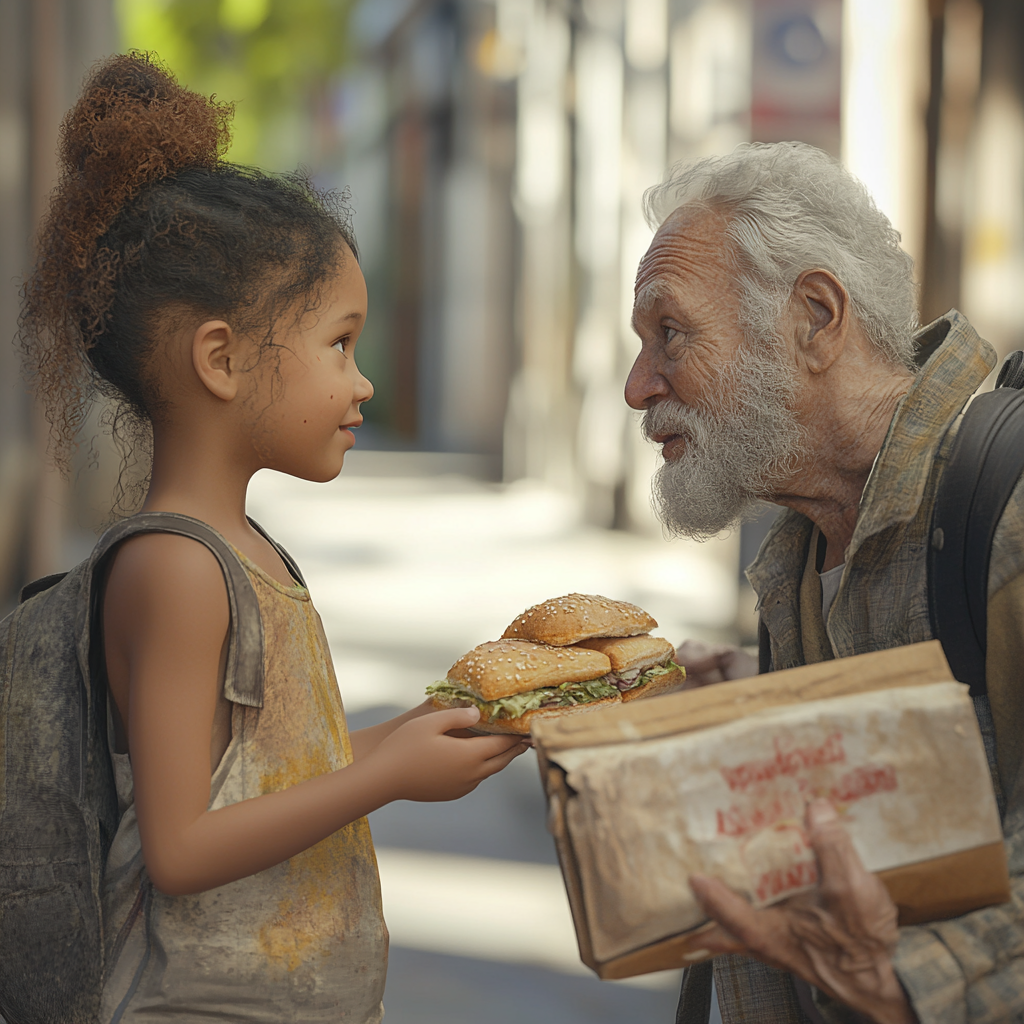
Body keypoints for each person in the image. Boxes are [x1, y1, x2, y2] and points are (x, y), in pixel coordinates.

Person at [18, 53, 528, 1023]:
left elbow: (264, 768)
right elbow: (181, 845)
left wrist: (408, 739)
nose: (361, 381)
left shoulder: (250, 552)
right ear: (220, 359)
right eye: (339, 343)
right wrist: (381, 775)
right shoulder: (173, 570)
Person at [625, 142, 1024, 1024]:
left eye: (671, 333)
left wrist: (910, 982)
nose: (637, 386)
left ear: (813, 316)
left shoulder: (1010, 500)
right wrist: (759, 720)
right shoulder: (805, 550)